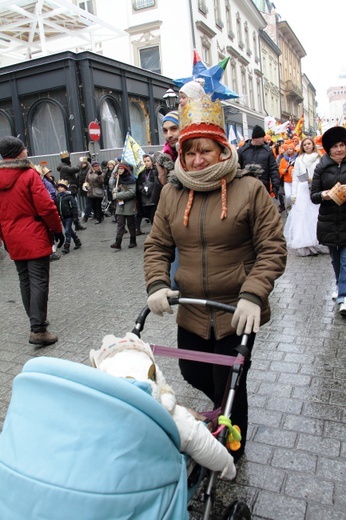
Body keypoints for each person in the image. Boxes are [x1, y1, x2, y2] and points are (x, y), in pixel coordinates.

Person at [144, 95, 287, 462]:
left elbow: (273, 247)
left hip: (236, 310)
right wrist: (158, 284)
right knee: (192, 371)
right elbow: (157, 245)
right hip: (191, 308)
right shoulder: (171, 193)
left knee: (230, 386)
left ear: (222, 151)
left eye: (204, 150)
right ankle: (221, 416)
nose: (196, 159)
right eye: (189, 153)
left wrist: (253, 294)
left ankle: (231, 451)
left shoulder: (249, 190)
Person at [90, 332, 236, 480]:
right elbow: (207, 447)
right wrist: (229, 468)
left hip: (112, 478)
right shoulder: (171, 420)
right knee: (193, 431)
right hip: (160, 482)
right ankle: (206, 423)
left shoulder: (95, 421)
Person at [0, 136, 64, 346]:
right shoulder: (28, 174)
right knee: (38, 281)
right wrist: (57, 229)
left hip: (12, 237)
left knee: (25, 280)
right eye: (24, 148)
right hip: (34, 235)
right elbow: (46, 207)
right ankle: (38, 330)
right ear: (18, 153)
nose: (26, 150)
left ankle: (35, 321)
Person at [311, 126, 346, 315]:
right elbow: (313, 195)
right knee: (335, 259)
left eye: (342, 145)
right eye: (335, 146)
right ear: (329, 149)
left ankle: (343, 297)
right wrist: (324, 194)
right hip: (329, 220)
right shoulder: (321, 167)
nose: (339, 149)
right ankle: (340, 286)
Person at [284, 137, 328, 257]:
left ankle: (318, 240)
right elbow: (295, 177)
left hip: (316, 189)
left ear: (313, 145)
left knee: (316, 215)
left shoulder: (320, 159)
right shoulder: (299, 159)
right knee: (303, 215)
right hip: (303, 190)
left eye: (309, 144)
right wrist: (294, 194)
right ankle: (305, 242)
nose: (307, 146)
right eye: (305, 145)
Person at [237, 125, 281, 200]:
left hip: (263, 185)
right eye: (262, 137)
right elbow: (237, 168)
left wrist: (275, 185)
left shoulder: (268, 151)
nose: (264, 139)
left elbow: (273, 169)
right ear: (255, 138)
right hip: (246, 185)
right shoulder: (242, 151)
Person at [110, 162, 137, 250]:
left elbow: (132, 192)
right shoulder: (118, 179)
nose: (120, 171)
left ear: (125, 169)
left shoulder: (131, 179)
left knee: (130, 224)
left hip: (129, 204)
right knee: (120, 224)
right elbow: (118, 189)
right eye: (119, 169)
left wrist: (118, 195)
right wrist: (115, 190)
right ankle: (118, 242)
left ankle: (133, 241)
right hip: (120, 205)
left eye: (122, 169)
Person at [57, 151, 86, 231]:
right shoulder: (65, 167)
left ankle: (77, 224)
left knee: (74, 208)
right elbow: (75, 169)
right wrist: (80, 163)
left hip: (70, 190)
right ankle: (75, 224)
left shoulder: (63, 166)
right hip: (70, 191)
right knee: (74, 207)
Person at [55, 179, 82, 254]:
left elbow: (74, 207)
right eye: (59, 187)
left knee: (67, 231)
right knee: (69, 230)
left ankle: (66, 246)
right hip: (62, 217)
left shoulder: (69, 197)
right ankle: (77, 241)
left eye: (62, 187)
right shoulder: (57, 197)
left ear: (65, 188)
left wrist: (75, 217)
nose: (60, 188)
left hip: (69, 217)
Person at [135, 154, 158, 235]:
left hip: (154, 197)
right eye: (145, 161)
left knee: (154, 216)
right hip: (144, 198)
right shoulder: (142, 173)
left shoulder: (156, 171)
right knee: (146, 214)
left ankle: (155, 231)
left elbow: (158, 183)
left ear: (152, 161)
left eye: (148, 161)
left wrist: (153, 191)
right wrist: (142, 190)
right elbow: (139, 184)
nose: (146, 163)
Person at [278, 141, 297, 210]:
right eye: (288, 149)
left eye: (291, 149)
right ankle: (289, 206)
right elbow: (280, 168)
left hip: (295, 181)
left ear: (294, 150)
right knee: (288, 196)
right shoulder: (283, 159)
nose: (289, 150)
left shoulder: (297, 158)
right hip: (287, 181)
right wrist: (284, 171)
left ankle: (294, 208)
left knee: (294, 196)